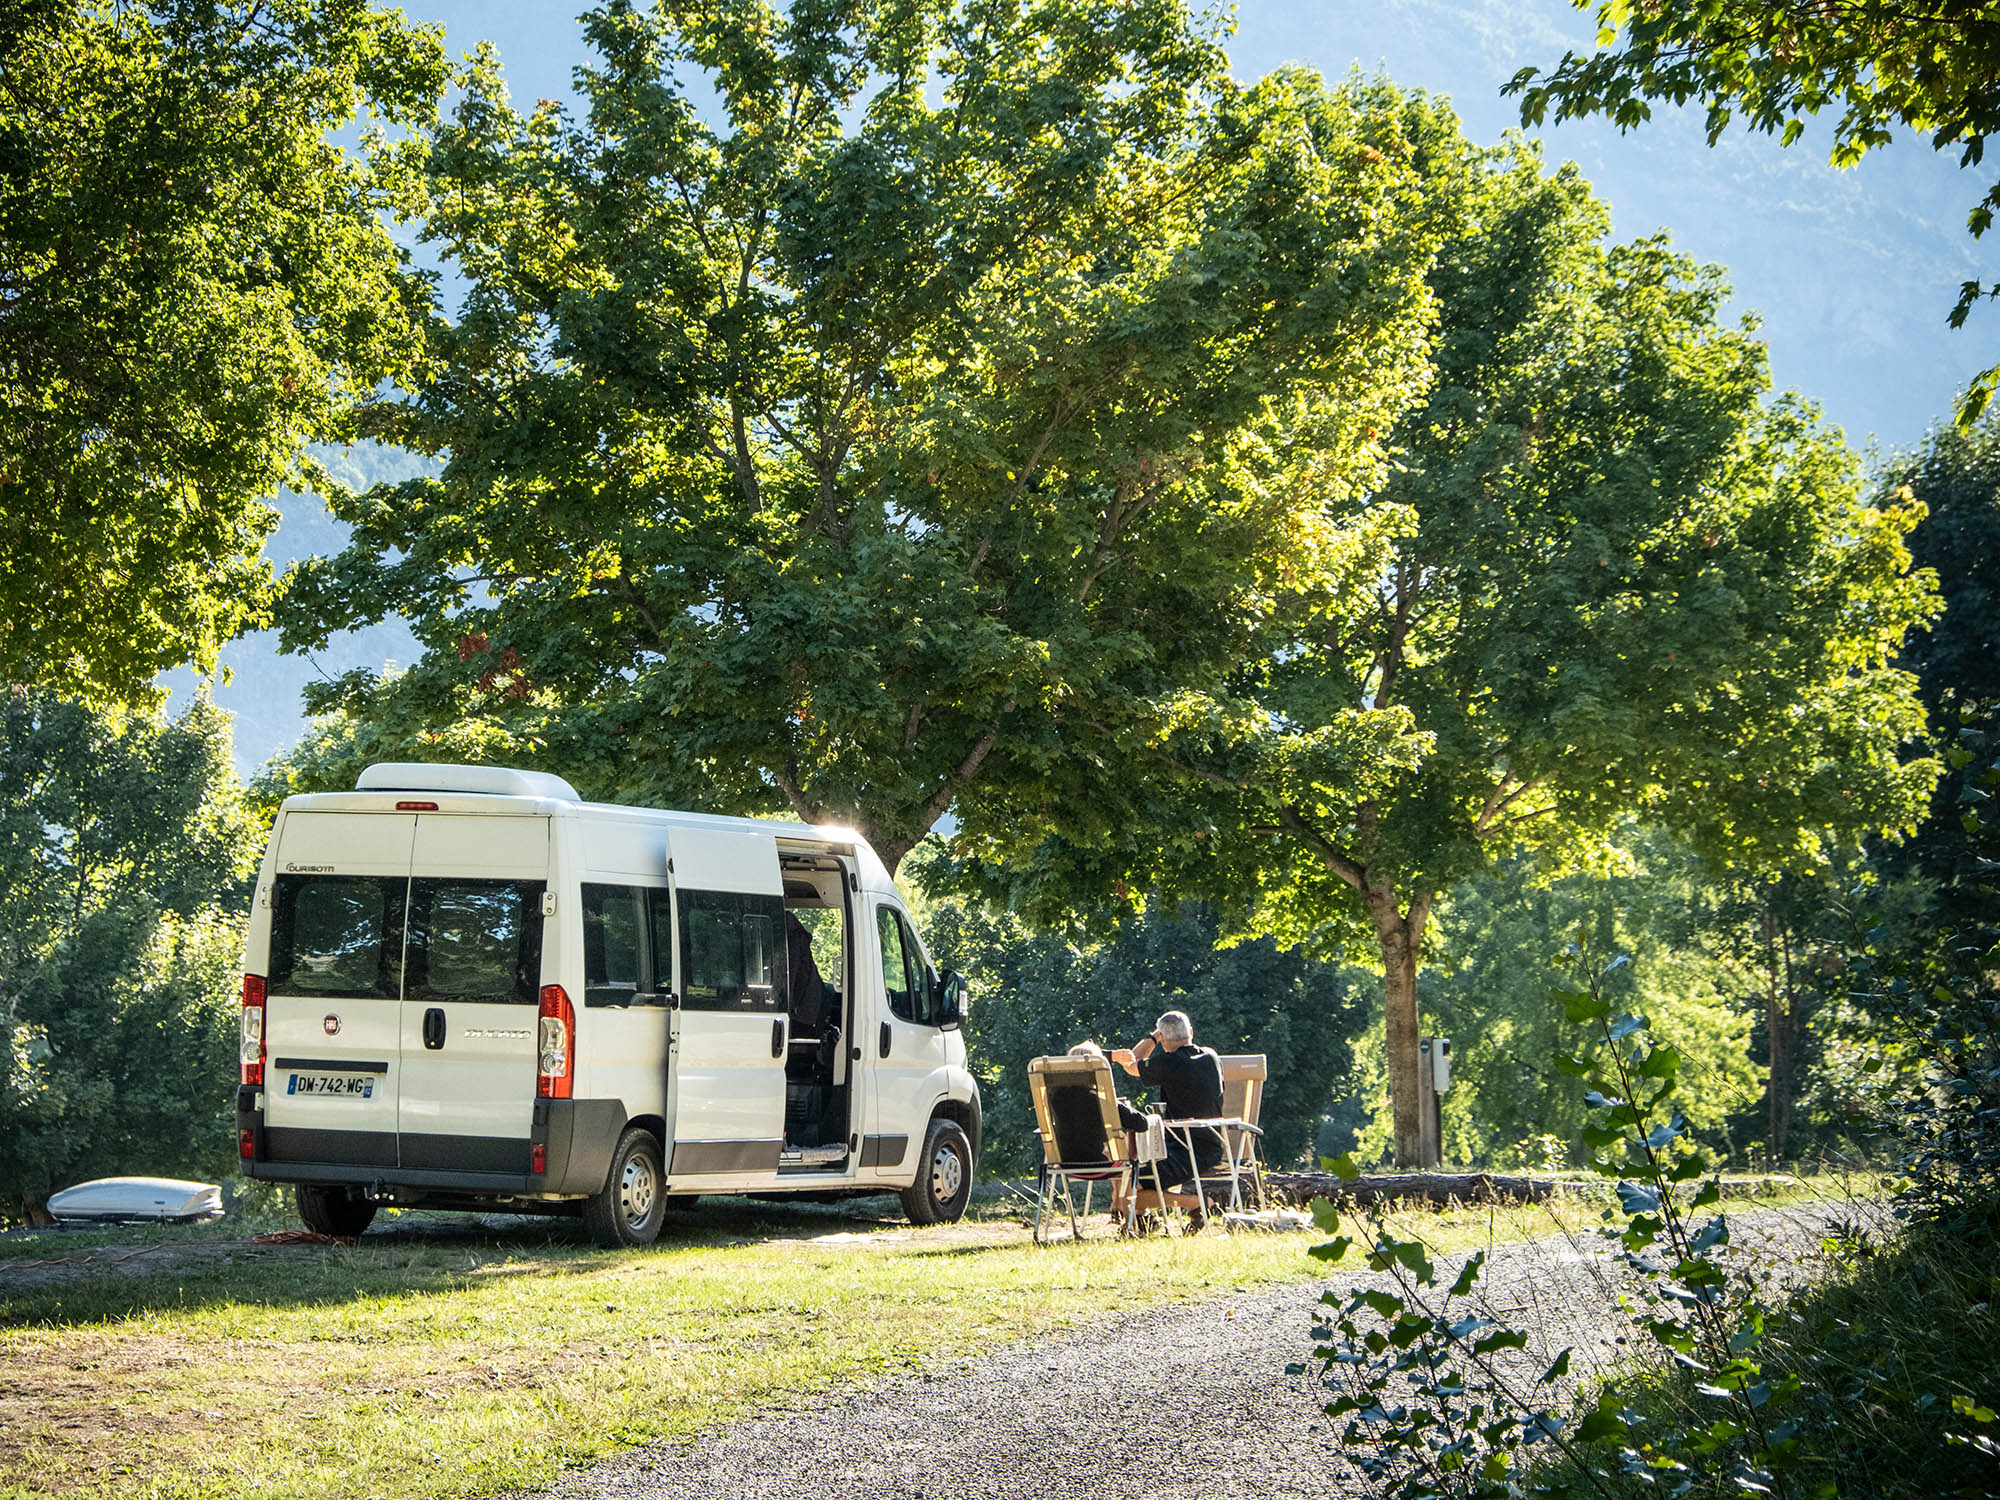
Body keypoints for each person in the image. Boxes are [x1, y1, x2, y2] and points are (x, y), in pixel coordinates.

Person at [1112, 1010, 1225, 1230]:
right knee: (1130, 1175)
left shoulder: (1169, 1062)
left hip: (1184, 1150)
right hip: (1214, 1145)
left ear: (1163, 1040)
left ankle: (1196, 1204)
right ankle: (1145, 1221)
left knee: (1127, 1182)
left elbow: (1131, 1063)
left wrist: (1153, 1038)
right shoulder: (1211, 1056)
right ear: (1191, 1032)